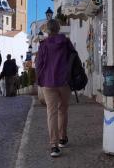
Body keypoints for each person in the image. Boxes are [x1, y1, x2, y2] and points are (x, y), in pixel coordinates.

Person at [35, 20, 74, 158]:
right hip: (64, 81)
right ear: (59, 29)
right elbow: (74, 58)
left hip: (48, 82)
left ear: (47, 30)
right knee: (63, 109)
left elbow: (39, 65)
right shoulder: (66, 42)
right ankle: (63, 138)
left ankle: (54, 146)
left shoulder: (43, 45)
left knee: (51, 113)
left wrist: (39, 81)